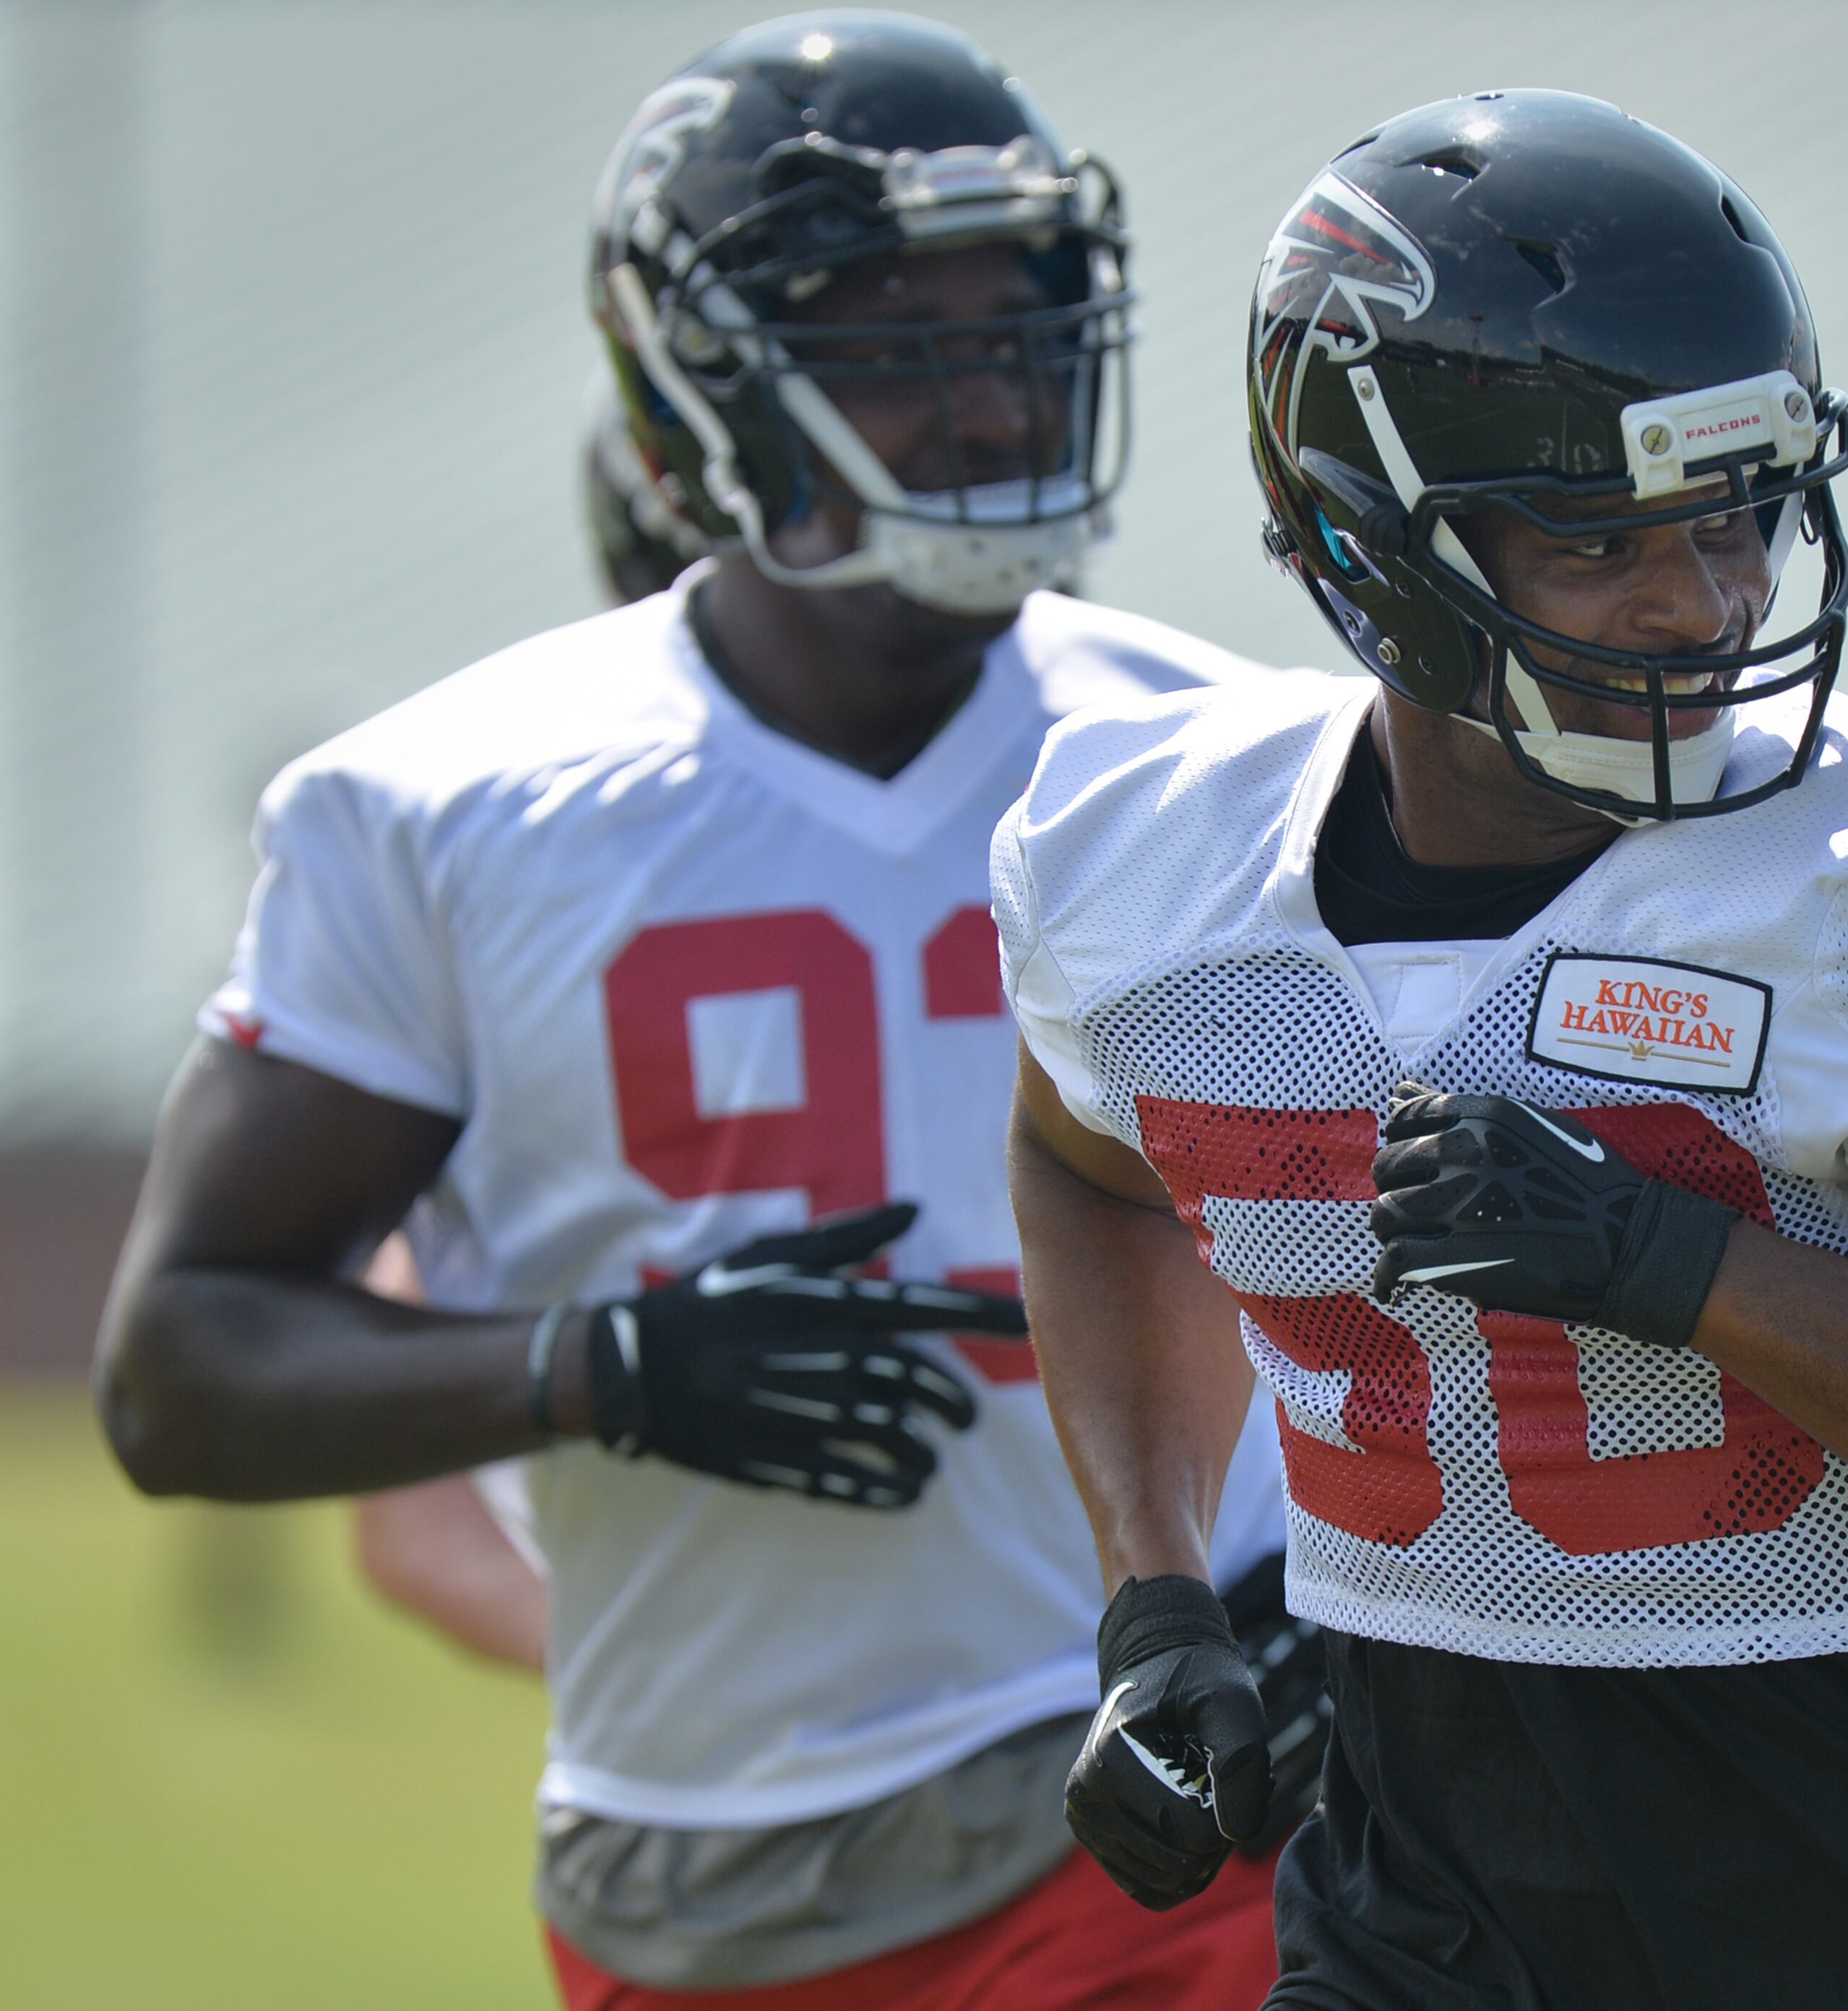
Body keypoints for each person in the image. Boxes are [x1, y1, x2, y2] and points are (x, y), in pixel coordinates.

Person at [996, 90, 1848, 2010]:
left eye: (1740, 512)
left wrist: (1688, 1272)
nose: (1709, 600)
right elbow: (1083, 1163)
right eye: (1606, 541)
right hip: (1410, 1885)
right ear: (1362, 545)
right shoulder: (1144, 854)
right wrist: (1161, 1596)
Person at [98, 16, 1313, 2008]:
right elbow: (179, 1367)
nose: (992, 399)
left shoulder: (1230, 762)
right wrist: (607, 1368)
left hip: (1195, 1790)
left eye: (1019, 328)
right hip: (705, 1863)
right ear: (706, 386)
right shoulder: (437, 811)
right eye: (899, 341)